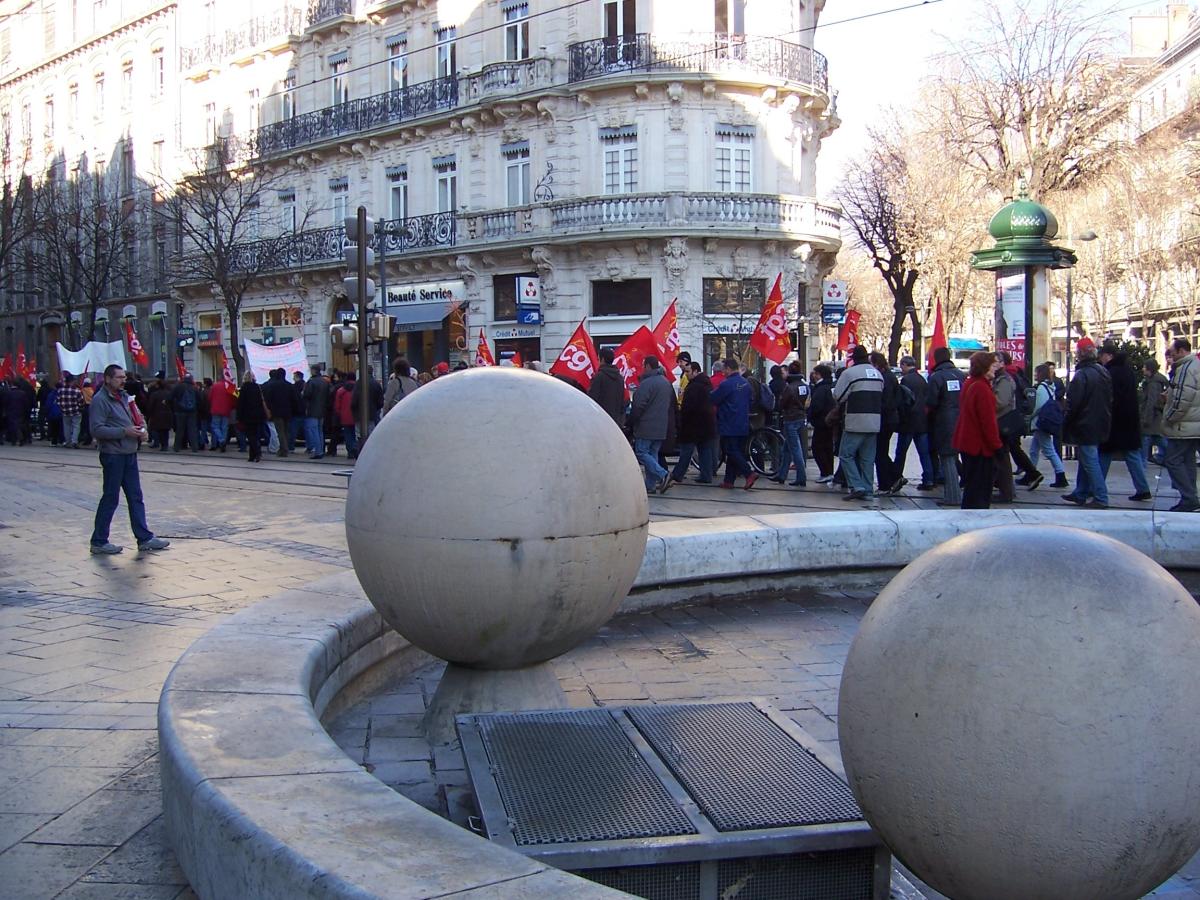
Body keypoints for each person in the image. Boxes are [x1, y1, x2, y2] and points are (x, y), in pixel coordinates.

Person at [88, 365, 169, 555]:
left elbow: (137, 417)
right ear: (108, 379)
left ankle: (144, 538)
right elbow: (96, 429)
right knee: (111, 497)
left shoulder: (124, 396)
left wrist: (143, 430)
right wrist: (124, 431)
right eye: (118, 377)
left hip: (129, 453)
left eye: (124, 377)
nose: (123, 380)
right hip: (113, 455)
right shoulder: (100, 400)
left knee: (135, 497)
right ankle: (99, 541)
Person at [1061, 337, 1113, 509]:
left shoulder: (1082, 374)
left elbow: (1073, 403)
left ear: (1080, 354)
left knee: (1090, 461)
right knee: (1086, 459)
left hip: (1085, 423)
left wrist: (1067, 421)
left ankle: (1101, 497)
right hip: (1100, 420)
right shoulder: (1103, 371)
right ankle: (1081, 492)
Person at [1098, 341, 1151, 502]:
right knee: (1132, 454)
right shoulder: (1127, 370)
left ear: (1109, 355)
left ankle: (1096, 488)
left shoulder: (1111, 372)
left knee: (1104, 454)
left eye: (1102, 356)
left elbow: (1110, 398)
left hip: (1115, 420)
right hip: (1129, 420)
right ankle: (1143, 488)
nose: (1101, 359)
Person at [832, 345, 883, 501]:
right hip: (874, 421)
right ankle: (868, 490)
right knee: (868, 458)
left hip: (856, 420)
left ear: (853, 359)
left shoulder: (850, 373)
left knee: (846, 454)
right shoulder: (877, 374)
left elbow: (838, 396)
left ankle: (857, 486)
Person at [953, 352, 1004, 509]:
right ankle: (977, 518)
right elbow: (988, 422)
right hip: (979, 447)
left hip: (967, 442)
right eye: (992, 365)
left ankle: (969, 515)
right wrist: (997, 446)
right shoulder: (982, 388)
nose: (995, 367)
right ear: (984, 367)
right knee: (980, 490)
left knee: (971, 488)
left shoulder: (970, 383)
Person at [994, 352, 1042, 496]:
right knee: (1012, 449)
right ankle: (1029, 474)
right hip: (1014, 417)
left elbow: (1002, 401)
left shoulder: (1006, 377)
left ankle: (1031, 474)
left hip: (1008, 419)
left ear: (1003, 363)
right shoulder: (1016, 374)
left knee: (1009, 450)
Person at [1161, 337, 1200, 513]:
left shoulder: (1185, 368)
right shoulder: (1195, 365)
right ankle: (1191, 496)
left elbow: (1183, 398)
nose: (1171, 355)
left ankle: (1189, 497)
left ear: (1182, 351)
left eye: (1173, 352)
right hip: (1193, 423)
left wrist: (1169, 417)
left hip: (1183, 424)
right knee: (1188, 460)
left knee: (1172, 460)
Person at [627, 356, 674, 495]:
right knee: (652, 454)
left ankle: (663, 474)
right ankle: (650, 485)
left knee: (641, 452)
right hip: (661, 425)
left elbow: (638, 406)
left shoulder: (646, 383)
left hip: (646, 425)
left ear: (647, 366)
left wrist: (631, 422)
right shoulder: (666, 382)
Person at [926, 346, 966, 507]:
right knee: (955, 457)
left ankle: (952, 497)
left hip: (943, 422)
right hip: (961, 420)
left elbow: (931, 401)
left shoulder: (936, 377)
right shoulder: (961, 375)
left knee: (947, 458)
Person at [711, 358, 757, 490]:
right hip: (742, 422)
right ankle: (729, 480)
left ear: (728, 369)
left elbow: (714, 398)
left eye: (724, 370)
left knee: (730, 451)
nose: (723, 372)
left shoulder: (726, 384)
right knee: (735, 451)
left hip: (729, 422)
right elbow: (751, 400)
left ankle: (748, 473)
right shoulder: (745, 383)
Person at [671, 361, 716, 484]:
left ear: (696, 371)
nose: (686, 374)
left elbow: (688, 408)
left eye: (688, 371)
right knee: (704, 450)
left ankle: (677, 474)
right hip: (706, 423)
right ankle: (706, 475)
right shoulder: (706, 383)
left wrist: (681, 419)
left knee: (686, 451)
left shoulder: (694, 387)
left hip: (693, 424)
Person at [895, 356, 934, 490]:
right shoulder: (921, 379)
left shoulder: (906, 380)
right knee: (924, 453)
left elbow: (904, 401)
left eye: (901, 366)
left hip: (908, 421)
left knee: (901, 453)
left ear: (905, 365)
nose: (901, 369)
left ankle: (896, 477)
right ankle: (928, 479)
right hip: (921, 421)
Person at [1028, 363, 1069, 489]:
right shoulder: (1050, 386)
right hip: (1044, 422)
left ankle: (1060, 476)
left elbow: (1038, 406)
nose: (1035, 375)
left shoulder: (1041, 388)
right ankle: (1030, 473)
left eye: (1036, 372)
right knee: (1034, 450)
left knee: (1049, 451)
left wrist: (1030, 416)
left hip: (1040, 423)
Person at [870, 351, 905, 494]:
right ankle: (895, 477)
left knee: (880, 452)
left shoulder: (885, 378)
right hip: (888, 419)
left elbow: (887, 401)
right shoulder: (888, 376)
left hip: (885, 420)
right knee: (881, 452)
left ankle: (887, 483)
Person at [772, 361, 809, 487]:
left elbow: (782, 403)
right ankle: (782, 475)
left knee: (795, 449)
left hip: (790, 418)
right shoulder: (804, 386)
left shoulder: (789, 387)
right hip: (801, 417)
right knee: (787, 448)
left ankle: (801, 477)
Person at [807, 365, 837, 482]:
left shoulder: (821, 389)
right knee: (827, 447)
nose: (813, 375)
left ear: (819, 375)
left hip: (821, 422)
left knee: (818, 448)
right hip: (828, 422)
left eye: (815, 373)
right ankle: (828, 472)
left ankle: (825, 472)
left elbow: (817, 406)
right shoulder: (829, 386)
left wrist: (810, 413)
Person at [1140, 358, 1169, 466]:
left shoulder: (1153, 383)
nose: (1143, 369)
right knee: (1158, 439)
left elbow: (1151, 402)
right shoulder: (1154, 381)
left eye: (1144, 367)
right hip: (1155, 416)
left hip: (1152, 416)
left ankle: (1142, 464)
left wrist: (1146, 418)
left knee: (1147, 439)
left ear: (1149, 369)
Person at [588, 347, 627, 427]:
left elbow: (592, 399)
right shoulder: (620, 378)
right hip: (615, 422)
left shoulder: (599, 376)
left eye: (598, 359)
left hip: (601, 421)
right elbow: (622, 400)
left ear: (602, 359)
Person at [236, 370, 268, 463]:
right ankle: (252, 455)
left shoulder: (244, 388)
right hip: (257, 415)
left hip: (247, 415)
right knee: (255, 435)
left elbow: (241, 404)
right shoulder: (257, 387)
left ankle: (257, 452)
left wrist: (239, 416)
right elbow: (260, 401)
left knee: (250, 436)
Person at [261, 368, 294, 457]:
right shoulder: (289, 385)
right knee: (286, 431)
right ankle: (285, 447)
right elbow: (294, 399)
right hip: (287, 411)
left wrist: (269, 409)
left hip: (276, 412)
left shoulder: (272, 386)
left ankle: (284, 449)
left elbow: (268, 399)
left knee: (280, 431)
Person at [302, 364, 331, 459]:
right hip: (322, 410)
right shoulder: (325, 382)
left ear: (313, 371)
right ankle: (321, 450)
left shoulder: (311, 382)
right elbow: (328, 396)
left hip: (312, 409)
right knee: (320, 431)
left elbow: (307, 395)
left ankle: (317, 451)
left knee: (313, 431)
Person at [170, 374, 201, 452]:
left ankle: (176, 447)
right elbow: (200, 400)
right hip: (192, 412)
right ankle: (194, 448)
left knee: (179, 430)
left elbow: (170, 397)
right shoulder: (195, 388)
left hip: (180, 411)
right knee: (192, 430)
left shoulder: (178, 387)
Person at [332, 374, 359, 459]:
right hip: (357, 416)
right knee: (357, 434)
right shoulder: (359, 389)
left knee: (348, 435)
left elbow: (337, 406)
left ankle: (350, 451)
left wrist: (340, 413)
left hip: (345, 416)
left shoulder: (341, 390)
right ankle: (355, 448)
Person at [208, 375, 237, 451]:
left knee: (215, 426)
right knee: (224, 427)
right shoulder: (230, 386)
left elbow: (210, 397)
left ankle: (221, 440)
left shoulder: (215, 386)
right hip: (226, 409)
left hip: (216, 409)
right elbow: (235, 397)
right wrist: (232, 406)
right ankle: (223, 442)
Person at [145, 379, 173, 451]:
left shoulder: (154, 394)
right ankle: (165, 445)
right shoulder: (169, 393)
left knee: (158, 430)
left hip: (157, 414)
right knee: (165, 431)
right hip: (167, 414)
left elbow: (150, 405)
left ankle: (160, 444)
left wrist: (149, 413)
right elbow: (173, 404)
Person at [59, 373, 84, 449]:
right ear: (72, 381)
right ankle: (74, 442)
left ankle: (68, 442)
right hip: (76, 411)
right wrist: (80, 408)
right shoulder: (77, 391)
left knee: (66, 427)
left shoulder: (61, 390)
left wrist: (62, 408)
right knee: (76, 426)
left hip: (65, 412)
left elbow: (58, 401)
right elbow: (81, 401)